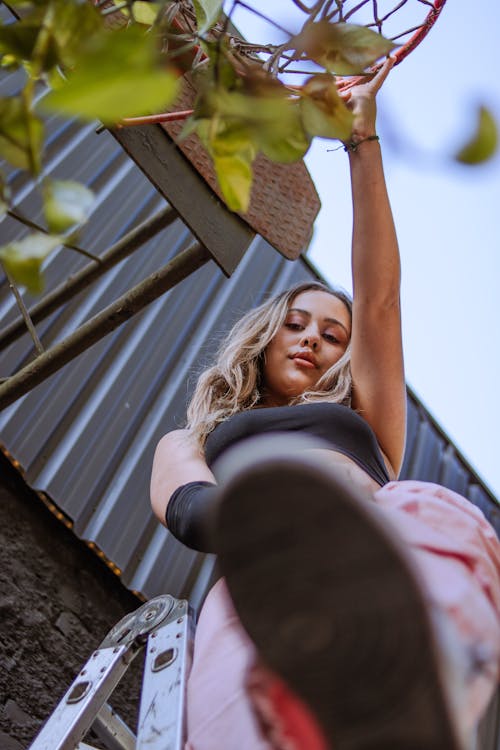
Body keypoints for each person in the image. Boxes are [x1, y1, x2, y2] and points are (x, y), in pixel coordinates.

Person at [150, 58, 500, 750]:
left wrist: (361, 140)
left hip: (388, 543)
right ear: (264, 333)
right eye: (297, 322)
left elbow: (378, 298)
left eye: (333, 335)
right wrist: (297, 509)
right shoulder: (191, 438)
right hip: (263, 590)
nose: (313, 338)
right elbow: (190, 512)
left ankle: (411, 692)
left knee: (441, 511)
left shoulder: (367, 417)